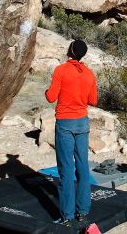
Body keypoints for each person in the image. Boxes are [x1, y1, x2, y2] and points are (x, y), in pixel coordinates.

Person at [45, 39, 97, 228]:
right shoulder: (89, 74)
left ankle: (67, 216)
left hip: (65, 122)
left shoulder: (60, 70)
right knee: (82, 166)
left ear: (70, 50)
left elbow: (51, 97)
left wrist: (47, 90)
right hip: (82, 122)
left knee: (66, 169)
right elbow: (93, 100)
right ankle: (83, 212)